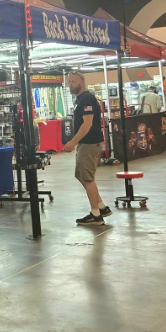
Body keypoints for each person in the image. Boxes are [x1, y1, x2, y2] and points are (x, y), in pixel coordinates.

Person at [63, 71, 111, 226]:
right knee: (81, 175)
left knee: (87, 178)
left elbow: (87, 123)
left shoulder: (87, 98)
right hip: (85, 143)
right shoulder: (80, 99)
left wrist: (72, 141)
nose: (70, 85)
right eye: (68, 82)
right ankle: (101, 207)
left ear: (81, 82)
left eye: (73, 82)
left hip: (89, 143)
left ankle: (96, 214)